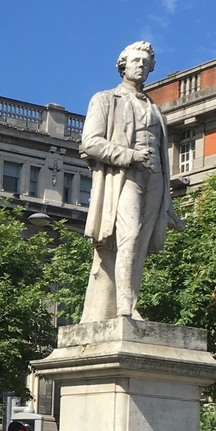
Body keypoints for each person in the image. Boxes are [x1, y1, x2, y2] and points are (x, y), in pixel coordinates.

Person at [80, 41, 184, 322]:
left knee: (141, 244)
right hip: (123, 175)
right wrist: (128, 155)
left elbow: (162, 154)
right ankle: (125, 307)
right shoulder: (104, 99)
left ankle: (129, 301)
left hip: (156, 179)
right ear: (122, 65)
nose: (141, 65)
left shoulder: (156, 109)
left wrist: (169, 205)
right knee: (130, 236)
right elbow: (90, 143)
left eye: (146, 62)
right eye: (136, 60)